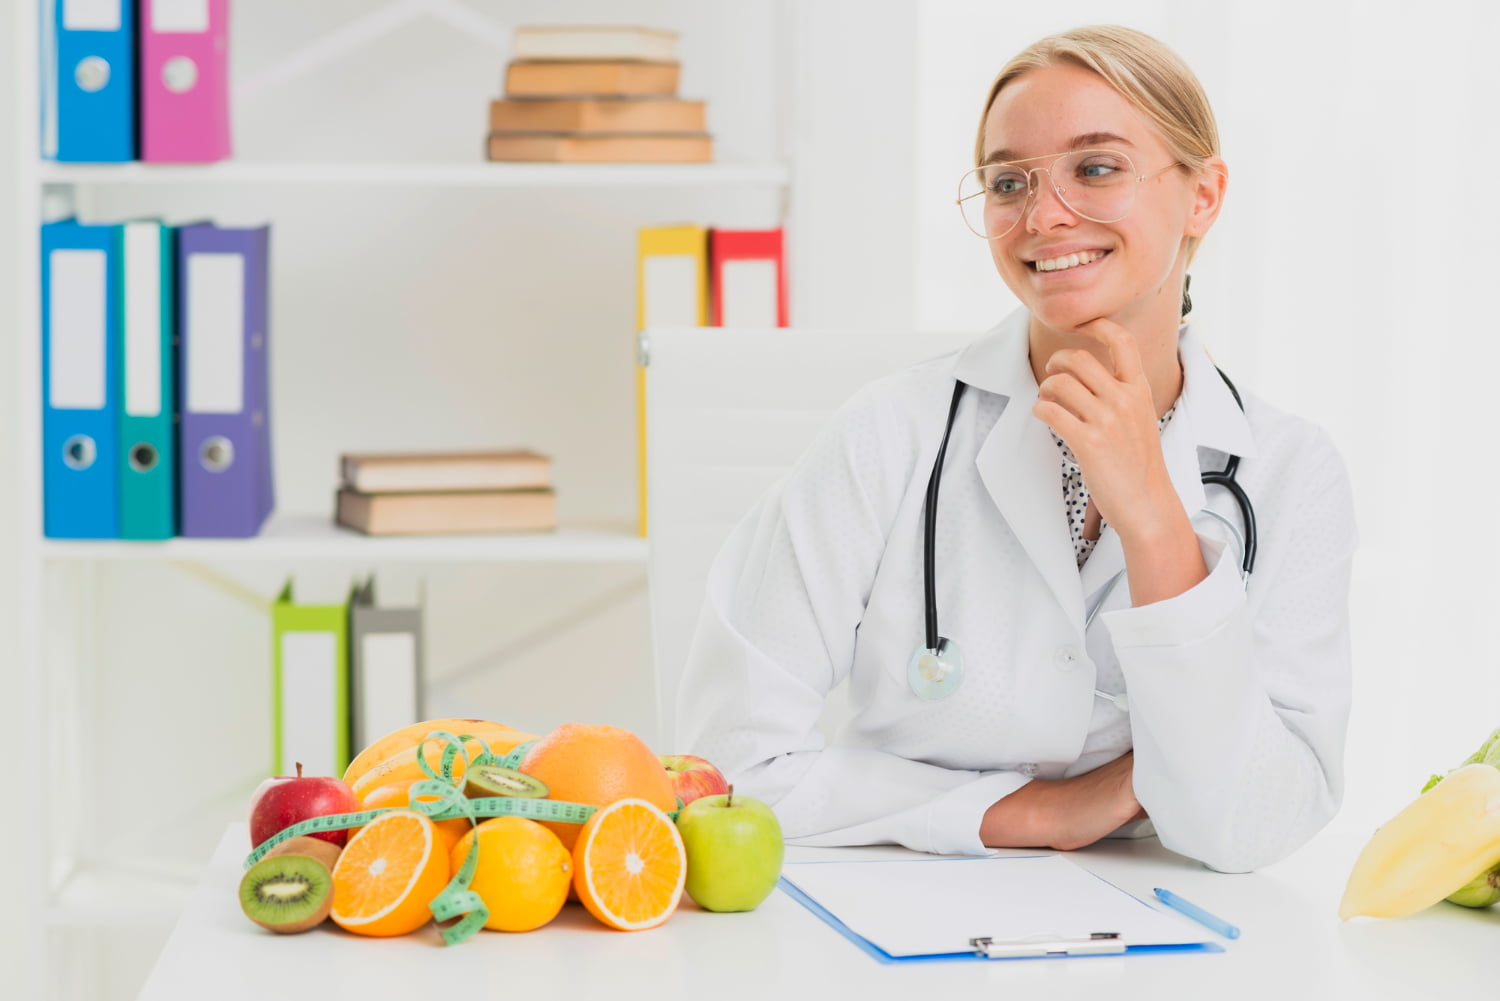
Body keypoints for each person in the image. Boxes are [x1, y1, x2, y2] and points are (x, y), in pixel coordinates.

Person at [676, 24, 1356, 874]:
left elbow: (1260, 823)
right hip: (899, 906)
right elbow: (723, 770)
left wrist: (1153, 521)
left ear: (1203, 196)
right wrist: (1028, 811)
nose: (1042, 216)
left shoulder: (1292, 472)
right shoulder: (888, 433)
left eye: (1096, 167)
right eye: (1008, 182)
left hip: (1176, 937)